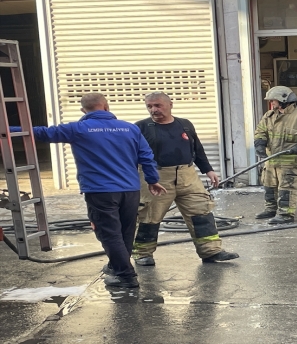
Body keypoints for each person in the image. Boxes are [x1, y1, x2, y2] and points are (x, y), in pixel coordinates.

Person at [11, 93, 166, 288]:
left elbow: (41, 132)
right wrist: (152, 180)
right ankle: (117, 265)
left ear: (83, 110)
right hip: (130, 190)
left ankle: (125, 275)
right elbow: (146, 156)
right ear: (106, 107)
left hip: (100, 191)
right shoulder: (130, 129)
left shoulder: (78, 129)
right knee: (125, 231)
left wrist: (6, 130)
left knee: (108, 232)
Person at [132, 91, 239, 266]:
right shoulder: (140, 128)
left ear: (170, 104)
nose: (153, 110)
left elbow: (197, 148)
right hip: (156, 177)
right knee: (149, 215)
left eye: (158, 105)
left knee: (201, 211)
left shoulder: (185, 125)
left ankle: (211, 251)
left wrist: (208, 170)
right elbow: (129, 155)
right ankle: (143, 253)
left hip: (187, 175)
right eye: (149, 106)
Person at [253, 86, 297, 224]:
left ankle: (286, 215)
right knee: (269, 185)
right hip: (271, 159)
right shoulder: (269, 115)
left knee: (286, 188)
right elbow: (260, 131)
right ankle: (271, 210)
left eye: (273, 100)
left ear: (283, 100)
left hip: (290, 160)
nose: (272, 103)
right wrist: (260, 144)